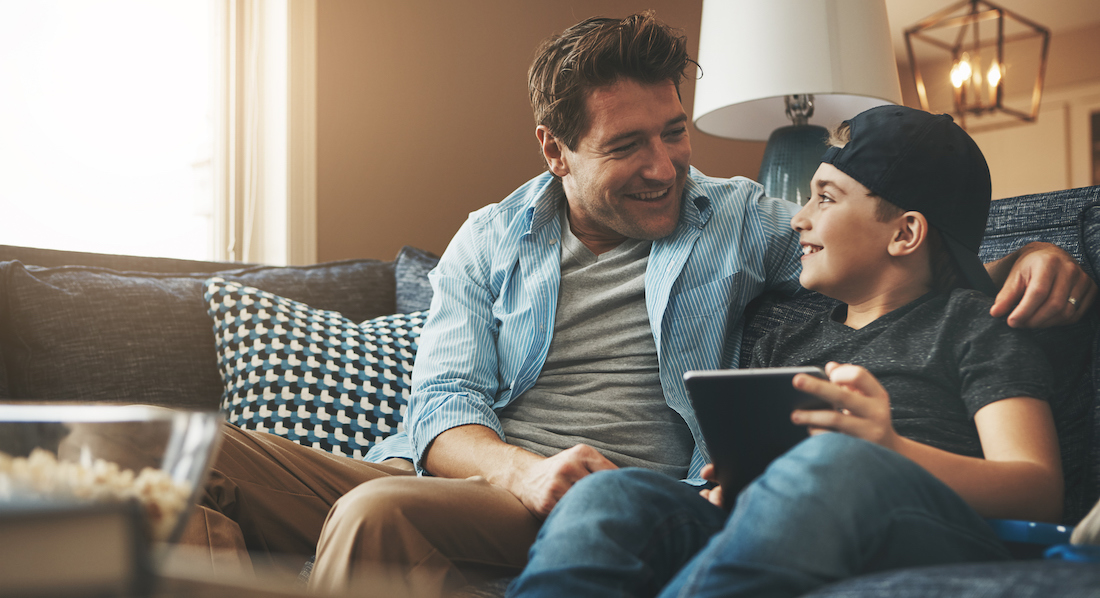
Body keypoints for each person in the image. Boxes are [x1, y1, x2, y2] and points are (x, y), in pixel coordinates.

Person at [179, 13, 1095, 597]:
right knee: (184, 457)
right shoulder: (488, 239)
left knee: (383, 514)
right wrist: (519, 469)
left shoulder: (736, 220)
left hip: (609, 483)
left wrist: (1046, 248)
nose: (665, 166)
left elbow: (895, 246)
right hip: (486, 474)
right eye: (627, 147)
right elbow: (442, 406)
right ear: (556, 149)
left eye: (675, 133)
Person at [507, 105, 1075, 598]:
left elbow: (1038, 489)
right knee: (609, 495)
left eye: (824, 198)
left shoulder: (975, 323)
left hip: (927, 525)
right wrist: (738, 480)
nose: (799, 218)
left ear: (905, 234)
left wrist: (890, 448)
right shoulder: (789, 338)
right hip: (783, 523)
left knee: (834, 462)